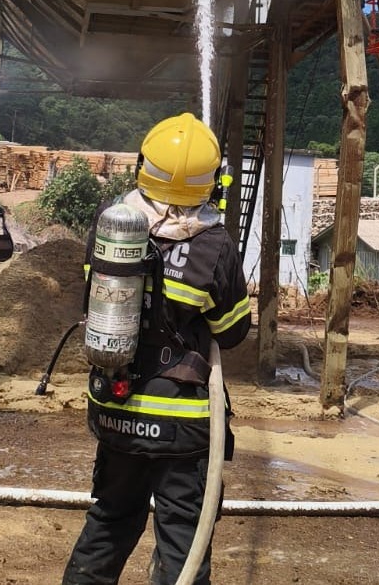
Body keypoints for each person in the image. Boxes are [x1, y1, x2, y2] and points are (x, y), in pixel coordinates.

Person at [62, 113, 252, 585]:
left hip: (114, 406)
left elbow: (93, 297)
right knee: (183, 538)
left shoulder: (110, 227)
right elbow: (231, 333)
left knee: (110, 519)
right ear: (211, 180)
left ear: (143, 165)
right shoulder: (215, 244)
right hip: (183, 426)